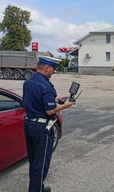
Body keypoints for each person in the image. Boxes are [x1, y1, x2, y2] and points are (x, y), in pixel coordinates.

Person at [23, 56, 75, 192]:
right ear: (46, 68)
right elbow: (50, 110)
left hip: (29, 124)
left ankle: (37, 187)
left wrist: (56, 99)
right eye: (52, 68)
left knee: (34, 161)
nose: (53, 71)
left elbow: (36, 99)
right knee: (41, 164)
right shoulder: (45, 85)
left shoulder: (29, 82)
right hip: (42, 129)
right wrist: (66, 105)